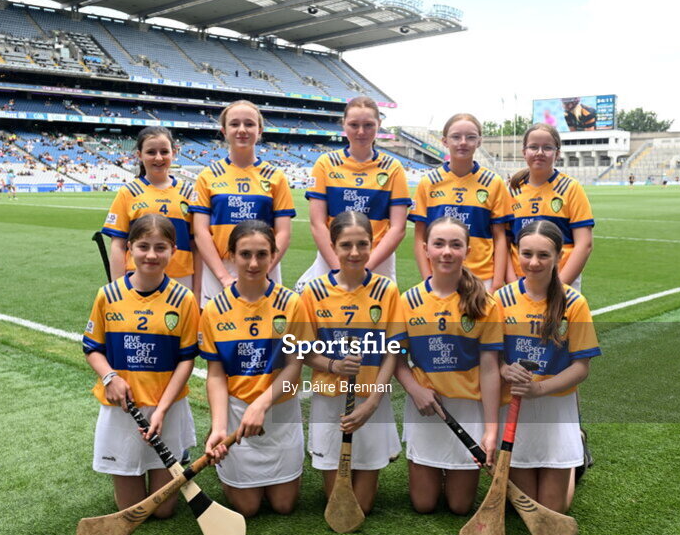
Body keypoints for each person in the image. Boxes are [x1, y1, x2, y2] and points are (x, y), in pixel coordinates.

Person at [81, 214, 200, 512]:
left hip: (167, 408)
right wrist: (110, 377)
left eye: (160, 247)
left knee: (162, 511)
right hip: (123, 410)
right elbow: (92, 348)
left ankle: (175, 452)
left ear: (173, 251)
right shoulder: (108, 295)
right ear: (129, 249)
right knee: (131, 508)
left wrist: (161, 410)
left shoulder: (184, 299)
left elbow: (186, 360)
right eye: (143, 246)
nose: (151, 255)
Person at [200, 220, 310, 517]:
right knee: (247, 509)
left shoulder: (291, 303)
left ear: (273, 255)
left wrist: (261, 404)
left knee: (284, 506)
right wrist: (221, 427)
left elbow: (294, 366)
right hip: (237, 416)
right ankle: (219, 443)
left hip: (280, 411)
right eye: (245, 254)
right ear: (231, 255)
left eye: (262, 254)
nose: (253, 262)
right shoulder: (214, 309)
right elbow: (216, 375)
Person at [299, 211, 405, 515]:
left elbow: (393, 350)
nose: (355, 253)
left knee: (364, 507)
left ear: (373, 245)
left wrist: (372, 403)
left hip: (371, 401)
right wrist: (333, 366)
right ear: (333, 246)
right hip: (330, 400)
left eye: (362, 244)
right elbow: (303, 350)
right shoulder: (314, 291)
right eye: (346, 245)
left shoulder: (387, 290)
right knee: (339, 503)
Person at [395, 217, 503, 514]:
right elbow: (396, 358)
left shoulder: (485, 304)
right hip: (427, 409)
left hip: (468, 411)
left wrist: (491, 429)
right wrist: (415, 389)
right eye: (439, 244)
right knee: (424, 504)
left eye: (455, 245)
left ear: (467, 250)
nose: (447, 252)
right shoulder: (408, 301)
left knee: (459, 506)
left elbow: (490, 369)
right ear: (425, 248)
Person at [495, 220, 600, 514]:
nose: (534, 262)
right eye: (527, 254)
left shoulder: (574, 303)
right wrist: (505, 370)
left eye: (543, 255)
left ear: (558, 257)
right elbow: (490, 358)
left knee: (552, 509)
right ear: (516, 253)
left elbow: (581, 367)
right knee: (524, 508)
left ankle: (575, 446)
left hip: (555, 409)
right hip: (514, 409)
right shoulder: (500, 300)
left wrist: (539, 388)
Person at [296, 96, 410, 292]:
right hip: (333, 256)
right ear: (343, 125)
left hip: (378, 259)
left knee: (376, 319)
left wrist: (366, 268)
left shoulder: (393, 168)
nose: (361, 132)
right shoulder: (325, 163)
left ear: (379, 125)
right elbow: (317, 223)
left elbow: (398, 228)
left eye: (368, 125)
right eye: (354, 124)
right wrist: (337, 268)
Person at [192, 100, 296, 307]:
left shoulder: (275, 176)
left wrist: (264, 270)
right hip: (219, 269)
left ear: (259, 131)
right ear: (224, 130)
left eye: (249, 124)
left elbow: (283, 232)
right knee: (219, 333)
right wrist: (223, 277)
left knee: (267, 333)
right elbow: (200, 232)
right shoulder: (207, 176)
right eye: (234, 124)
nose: (242, 130)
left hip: (264, 267)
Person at [410, 113, 511, 291]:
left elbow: (500, 237)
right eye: (456, 137)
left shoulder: (493, 182)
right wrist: (428, 277)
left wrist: (496, 282)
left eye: (470, 137)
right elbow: (420, 236)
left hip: (482, 278)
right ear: (444, 141)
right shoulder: (429, 182)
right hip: (439, 277)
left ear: (479, 141)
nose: (463, 142)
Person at [101, 126, 199, 294]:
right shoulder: (128, 192)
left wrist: (198, 290)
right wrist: (117, 290)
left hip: (181, 279)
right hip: (139, 278)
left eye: (164, 151)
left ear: (174, 153)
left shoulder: (189, 192)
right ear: (139, 155)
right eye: (151, 152)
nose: (158, 157)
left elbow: (195, 246)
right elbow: (118, 246)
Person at [507, 124, 594, 292]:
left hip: (562, 279)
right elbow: (504, 242)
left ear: (557, 154)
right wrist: (513, 284)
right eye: (533, 147)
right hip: (520, 279)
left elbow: (584, 244)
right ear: (524, 152)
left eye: (547, 148)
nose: (540, 152)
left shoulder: (571, 188)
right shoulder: (512, 190)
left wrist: (560, 286)